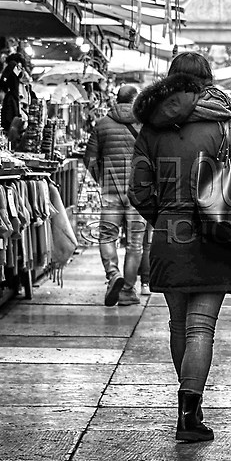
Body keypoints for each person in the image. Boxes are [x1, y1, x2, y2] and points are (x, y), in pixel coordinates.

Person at [129, 51, 231, 444]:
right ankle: (190, 411)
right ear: (207, 80)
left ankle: (187, 409)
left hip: (169, 233)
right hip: (215, 234)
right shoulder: (225, 124)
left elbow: (137, 191)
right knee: (203, 328)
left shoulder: (150, 129)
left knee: (178, 324)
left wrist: (164, 216)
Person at [85, 83, 145, 306]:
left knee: (107, 236)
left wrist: (102, 179)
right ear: (135, 100)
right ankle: (127, 290)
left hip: (110, 191)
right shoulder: (144, 124)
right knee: (135, 244)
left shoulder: (102, 124)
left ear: (116, 99)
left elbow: (89, 159)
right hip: (138, 193)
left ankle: (113, 275)